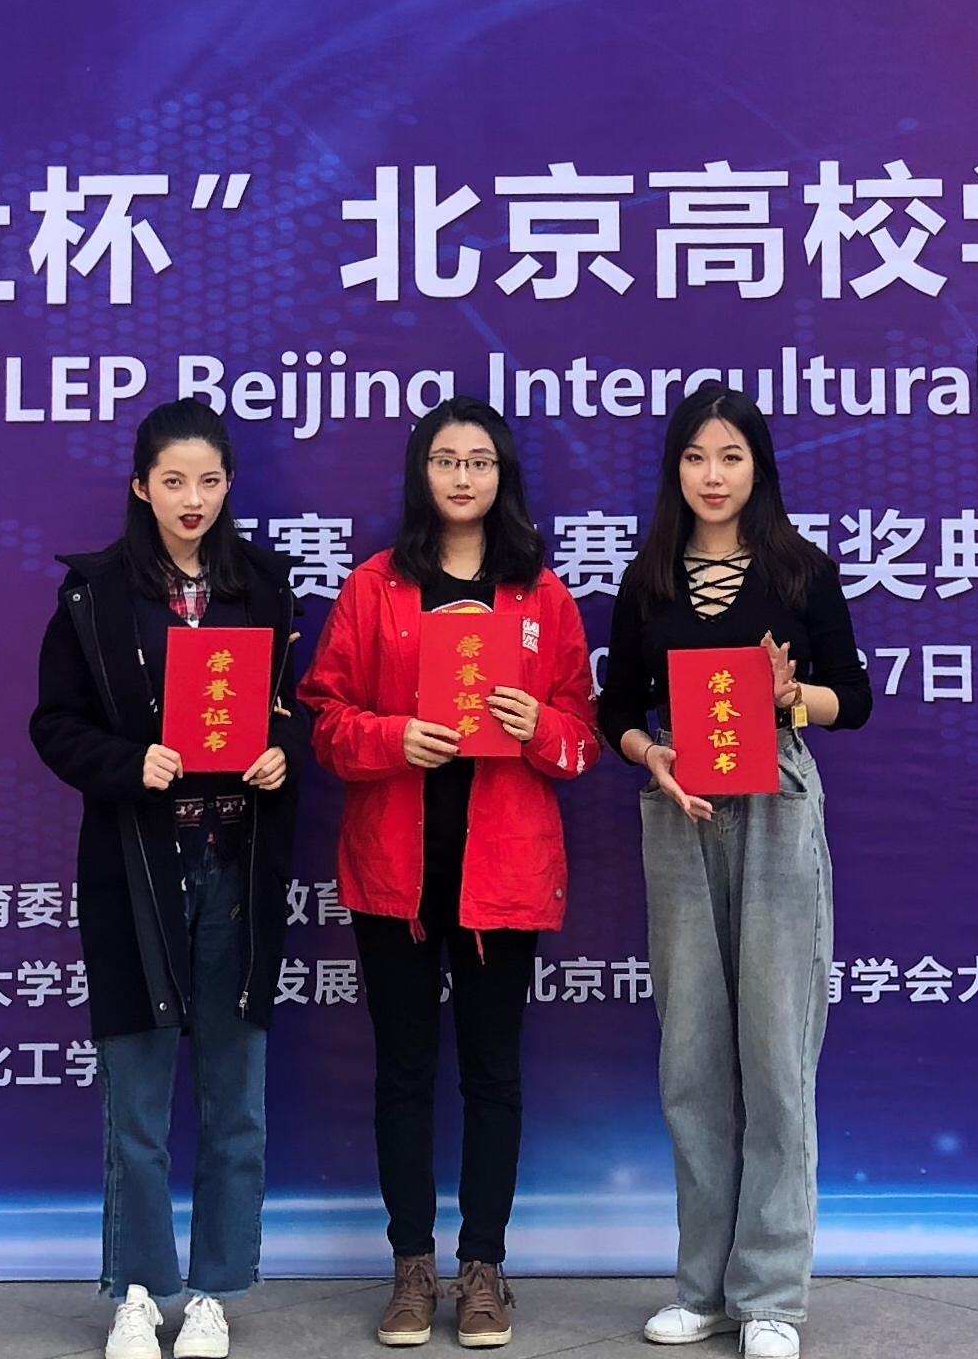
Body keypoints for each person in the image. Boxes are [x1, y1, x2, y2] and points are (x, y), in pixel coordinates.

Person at [302, 399, 601, 1350]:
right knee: (402, 1071)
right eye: (445, 459)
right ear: (420, 473)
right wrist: (394, 738)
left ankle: (482, 1269)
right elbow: (324, 722)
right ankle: (410, 1267)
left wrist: (539, 727)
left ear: (502, 475)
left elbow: (584, 736)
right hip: (397, 869)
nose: (462, 476)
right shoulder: (375, 587)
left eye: (479, 460)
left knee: (492, 1073)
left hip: (500, 873)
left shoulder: (541, 595)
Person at [596, 387, 871, 1359]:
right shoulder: (647, 578)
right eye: (695, 457)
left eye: (731, 456)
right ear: (674, 470)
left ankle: (771, 1296)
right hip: (681, 805)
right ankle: (703, 1288)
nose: (712, 476)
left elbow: (856, 699)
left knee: (776, 1053)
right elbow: (614, 708)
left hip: (777, 803)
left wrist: (794, 697)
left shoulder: (801, 570)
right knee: (694, 1055)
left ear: (759, 467)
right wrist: (650, 752)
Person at [30, 400, 306, 1359]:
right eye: (174, 481)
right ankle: (139, 1291)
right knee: (138, 1106)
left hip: (237, 864)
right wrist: (127, 762)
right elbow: (53, 725)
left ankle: (215, 1293)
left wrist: (280, 754)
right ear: (141, 487)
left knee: (236, 1101)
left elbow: (295, 710)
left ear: (229, 487)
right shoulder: (95, 595)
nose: (194, 499)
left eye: (211, 481)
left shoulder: (262, 585)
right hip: (136, 870)